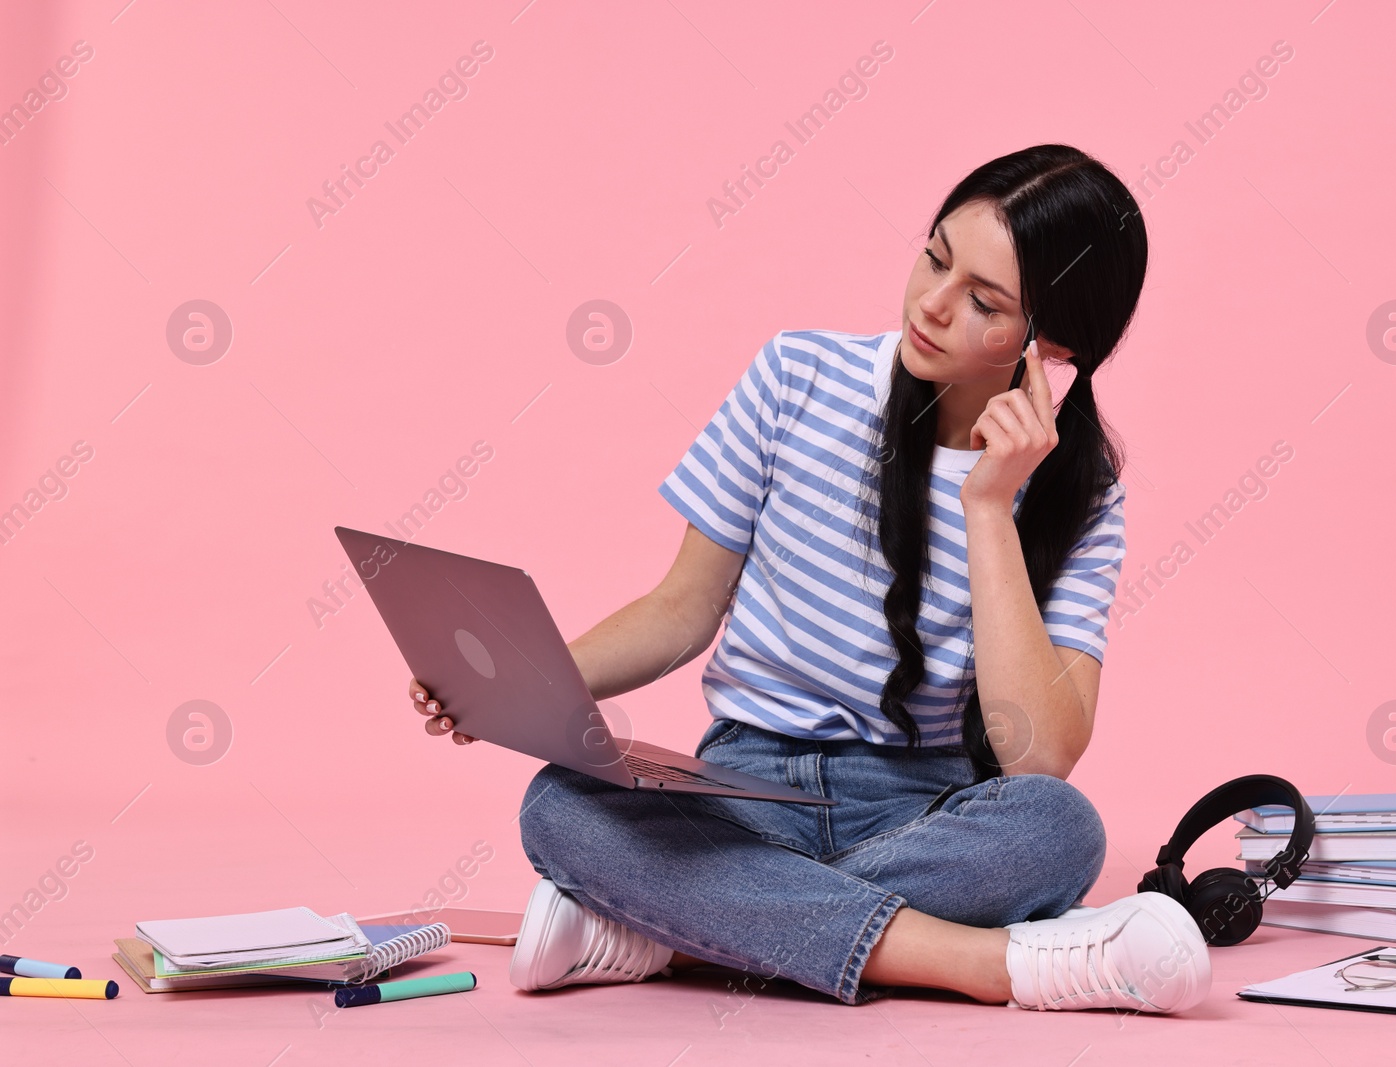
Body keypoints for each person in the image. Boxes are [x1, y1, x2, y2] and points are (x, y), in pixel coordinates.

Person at [409, 144, 1212, 1013]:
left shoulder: (1080, 496)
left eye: (983, 301)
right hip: (746, 788)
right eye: (935, 257)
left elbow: (1039, 755)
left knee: (1060, 830)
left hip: (924, 805)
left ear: (1049, 343)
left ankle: (673, 931)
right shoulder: (797, 377)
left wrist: (989, 508)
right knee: (559, 805)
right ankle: (994, 964)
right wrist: (519, 682)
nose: (932, 305)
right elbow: (683, 609)